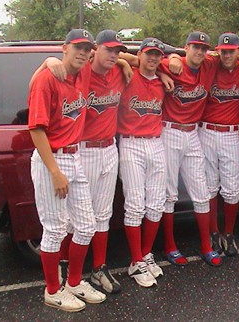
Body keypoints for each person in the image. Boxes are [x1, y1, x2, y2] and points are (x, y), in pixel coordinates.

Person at [33, 30, 131, 294]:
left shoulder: (115, 69)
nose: (113, 54)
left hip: (107, 148)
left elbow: (144, 60)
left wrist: (123, 60)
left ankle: (96, 269)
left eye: (116, 51)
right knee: (65, 222)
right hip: (78, 150)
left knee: (100, 216)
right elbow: (40, 87)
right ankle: (61, 277)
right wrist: (47, 61)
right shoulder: (77, 71)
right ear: (95, 50)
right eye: (107, 50)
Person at [28, 29, 106, 312]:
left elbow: (119, 57)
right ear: (65, 48)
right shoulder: (47, 78)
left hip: (76, 157)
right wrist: (54, 172)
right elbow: (36, 130)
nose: (83, 53)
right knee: (55, 229)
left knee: (86, 225)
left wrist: (121, 61)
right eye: (78, 47)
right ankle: (52, 291)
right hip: (52, 159)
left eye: (87, 48)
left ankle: (74, 283)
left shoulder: (82, 73)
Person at [158, 31, 222, 267]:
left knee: (201, 191)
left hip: (192, 133)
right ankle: (169, 245)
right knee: (169, 194)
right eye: (195, 47)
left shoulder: (210, 64)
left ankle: (206, 245)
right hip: (170, 131)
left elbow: (237, 57)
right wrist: (172, 58)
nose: (200, 52)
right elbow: (141, 60)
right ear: (186, 47)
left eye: (204, 48)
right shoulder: (172, 65)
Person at [118, 38, 167, 287]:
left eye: (157, 54)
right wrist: (126, 61)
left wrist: (164, 71)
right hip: (131, 142)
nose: (153, 58)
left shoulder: (163, 79)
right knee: (135, 205)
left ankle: (146, 254)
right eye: (149, 54)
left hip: (156, 142)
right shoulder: (127, 74)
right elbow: (101, 54)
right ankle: (135, 261)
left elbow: (180, 62)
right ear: (140, 55)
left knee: (156, 203)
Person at [198, 33, 239, 257]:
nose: (227, 55)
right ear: (218, 51)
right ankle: (213, 232)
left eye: (231, 51)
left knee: (231, 188)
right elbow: (183, 58)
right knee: (209, 185)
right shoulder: (210, 64)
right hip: (207, 131)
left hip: (231, 134)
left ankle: (228, 232)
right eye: (223, 51)